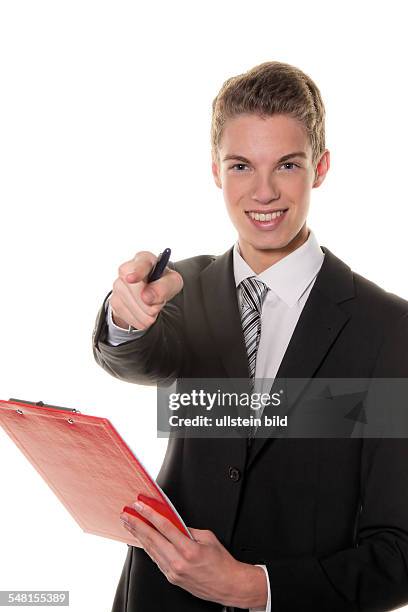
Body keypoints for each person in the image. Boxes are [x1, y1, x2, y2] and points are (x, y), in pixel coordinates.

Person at [92, 61, 408, 612]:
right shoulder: (180, 288)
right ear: (216, 170)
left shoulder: (388, 329)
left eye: (287, 164)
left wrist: (253, 587)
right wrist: (127, 318)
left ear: (321, 167)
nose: (263, 192)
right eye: (241, 166)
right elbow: (138, 358)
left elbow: (398, 557)